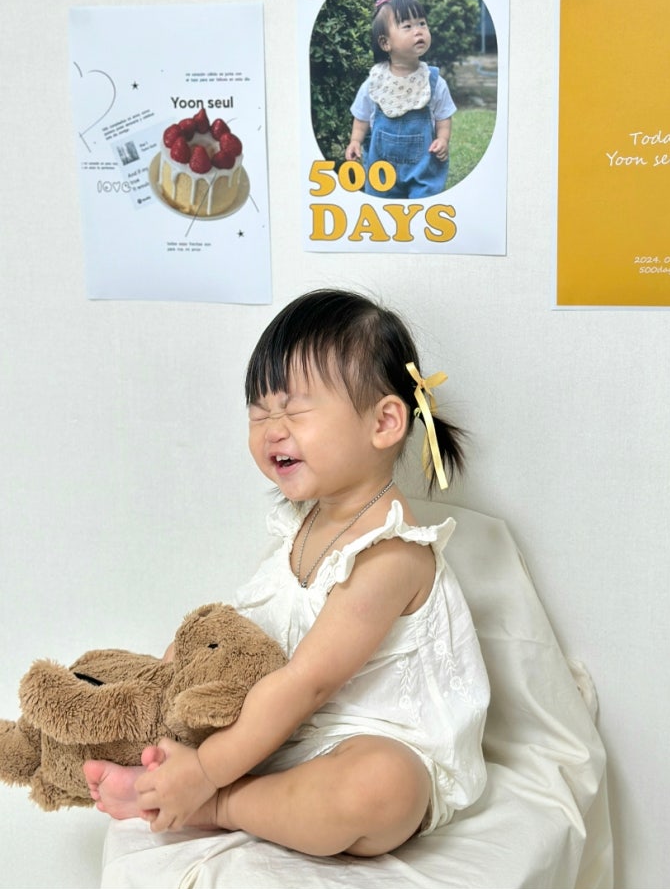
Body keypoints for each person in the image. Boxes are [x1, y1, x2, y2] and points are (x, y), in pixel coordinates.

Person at [83, 288, 490, 858]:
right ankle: (160, 764)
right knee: (194, 647)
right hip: (283, 731)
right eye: (259, 412)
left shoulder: (390, 555)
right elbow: (259, 630)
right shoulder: (300, 522)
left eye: (294, 410)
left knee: (382, 787)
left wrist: (207, 771)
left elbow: (308, 682)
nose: (271, 429)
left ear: (384, 422)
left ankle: (218, 804)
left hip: (368, 740)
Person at [344, 0, 456, 199]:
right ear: (385, 43)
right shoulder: (374, 83)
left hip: (423, 169)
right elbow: (361, 118)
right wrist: (355, 141)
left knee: (423, 206)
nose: (418, 31)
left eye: (422, 23)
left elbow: (443, 116)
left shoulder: (433, 82)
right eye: (407, 26)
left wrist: (443, 138)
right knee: (383, 207)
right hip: (382, 171)